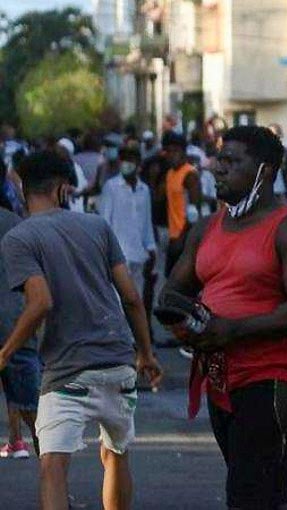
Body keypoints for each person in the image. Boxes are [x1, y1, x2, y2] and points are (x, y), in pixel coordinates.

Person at [161, 125, 287, 509]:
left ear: (264, 171)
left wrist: (232, 329)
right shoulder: (206, 228)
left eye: (232, 161)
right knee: (260, 489)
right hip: (220, 376)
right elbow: (173, 292)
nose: (218, 169)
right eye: (220, 159)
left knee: (249, 492)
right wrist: (186, 324)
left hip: (274, 374)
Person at [0, 150, 162, 510]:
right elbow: (132, 297)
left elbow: (40, 302)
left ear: (23, 189)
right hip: (118, 363)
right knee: (115, 454)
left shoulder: (20, 237)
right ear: (62, 189)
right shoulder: (96, 226)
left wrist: (5, 353)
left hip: (66, 371)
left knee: (53, 466)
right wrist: (146, 353)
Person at [0, 206, 40, 459]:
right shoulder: (17, 223)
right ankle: (57, 493)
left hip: (14, 323)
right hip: (16, 324)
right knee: (35, 414)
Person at [98, 147, 158, 297]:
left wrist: (150, 247)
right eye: (123, 160)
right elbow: (104, 221)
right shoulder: (111, 187)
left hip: (139, 253)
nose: (126, 164)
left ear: (138, 164)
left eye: (130, 160)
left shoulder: (144, 190)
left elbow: (146, 223)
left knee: (136, 298)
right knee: (118, 300)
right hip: (118, 254)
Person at [162, 131, 201, 277]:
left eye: (175, 151)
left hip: (184, 239)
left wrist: (182, 239)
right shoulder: (170, 173)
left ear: (183, 152)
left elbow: (194, 213)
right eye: (168, 151)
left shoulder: (190, 175)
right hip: (173, 235)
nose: (171, 155)